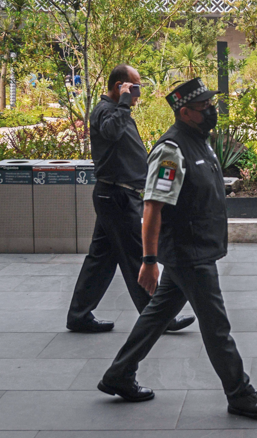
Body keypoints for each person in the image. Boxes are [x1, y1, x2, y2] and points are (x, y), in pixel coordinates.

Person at [98, 78, 257, 419]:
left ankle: (119, 374)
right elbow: (153, 206)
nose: (212, 111)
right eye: (204, 108)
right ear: (185, 112)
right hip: (188, 252)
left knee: (156, 316)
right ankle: (240, 393)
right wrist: (149, 260)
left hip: (198, 247)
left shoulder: (200, 141)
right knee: (216, 325)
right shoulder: (172, 150)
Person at [67, 64, 194, 334]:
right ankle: (161, 318)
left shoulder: (116, 111)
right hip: (116, 196)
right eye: (134, 87)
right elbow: (111, 132)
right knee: (138, 257)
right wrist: (124, 103)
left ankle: (78, 315)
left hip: (116, 194)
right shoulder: (106, 110)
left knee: (100, 260)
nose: (138, 94)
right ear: (119, 87)